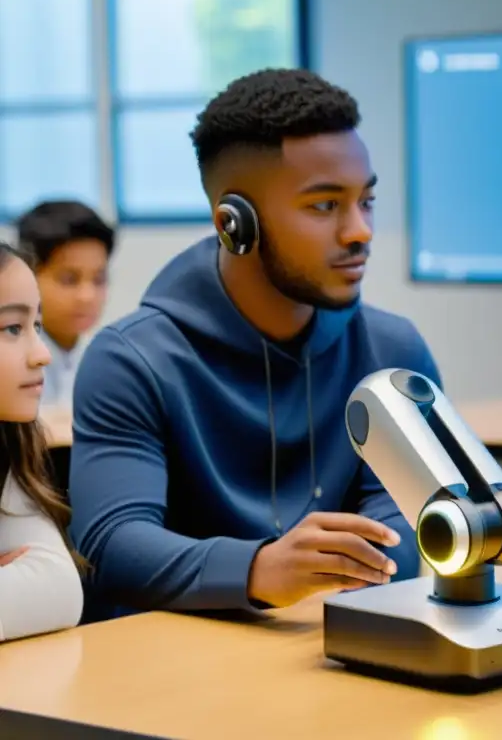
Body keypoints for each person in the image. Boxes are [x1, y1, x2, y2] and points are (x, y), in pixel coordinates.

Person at [69, 68, 438, 616]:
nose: (360, 230)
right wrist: (259, 569)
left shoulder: (392, 351)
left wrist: (354, 565)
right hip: (171, 675)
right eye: (324, 205)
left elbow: (406, 522)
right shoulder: (132, 360)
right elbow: (113, 542)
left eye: (366, 200)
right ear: (234, 223)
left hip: (335, 655)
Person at [0, 241, 84, 641]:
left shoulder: (9, 440)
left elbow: (60, 591)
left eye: (36, 325)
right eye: (12, 328)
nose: (41, 354)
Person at [14, 200, 115, 410]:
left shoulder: (100, 359)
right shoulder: (9, 357)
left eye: (99, 279)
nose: (87, 296)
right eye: (69, 279)